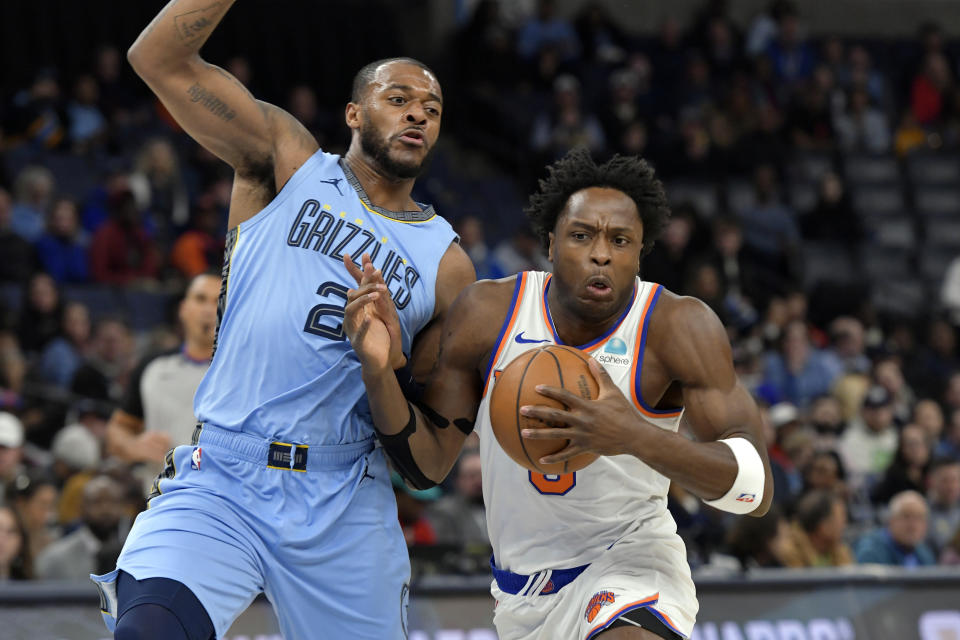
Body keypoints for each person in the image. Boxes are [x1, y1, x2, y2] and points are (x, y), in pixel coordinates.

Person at [91, 2, 475, 639]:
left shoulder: (448, 264)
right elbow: (155, 58)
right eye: (398, 98)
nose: (417, 114)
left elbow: (428, 459)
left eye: (431, 109)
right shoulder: (288, 162)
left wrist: (385, 369)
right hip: (226, 478)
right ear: (354, 113)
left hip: (345, 496)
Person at [344, 148, 773, 640]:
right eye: (582, 235)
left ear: (639, 252)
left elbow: (755, 492)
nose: (601, 253)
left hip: (631, 563)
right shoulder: (488, 313)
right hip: (520, 596)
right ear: (551, 244)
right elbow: (424, 468)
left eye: (620, 240)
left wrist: (632, 434)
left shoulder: (676, 326)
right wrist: (381, 371)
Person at [106, 273, 219, 490]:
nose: (208, 310)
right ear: (183, 309)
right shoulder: (153, 368)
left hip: (222, 502)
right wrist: (133, 445)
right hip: (159, 499)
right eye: (201, 299)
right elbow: (117, 430)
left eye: (218, 301)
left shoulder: (245, 373)